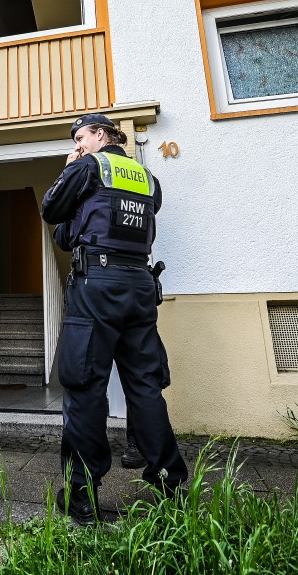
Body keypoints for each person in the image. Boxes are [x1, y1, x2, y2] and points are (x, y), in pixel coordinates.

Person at [41, 113, 187, 525]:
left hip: (97, 286)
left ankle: (83, 497)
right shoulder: (144, 176)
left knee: (85, 386)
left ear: (101, 135)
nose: (77, 143)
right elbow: (79, 229)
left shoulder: (89, 166)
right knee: (144, 387)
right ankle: (169, 487)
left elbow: (51, 210)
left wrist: (68, 171)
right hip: (139, 284)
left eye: (81, 136)